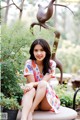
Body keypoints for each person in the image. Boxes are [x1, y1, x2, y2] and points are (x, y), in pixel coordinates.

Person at [21, 39, 60, 120]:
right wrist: (31, 84)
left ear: (46, 51)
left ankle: (31, 111)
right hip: (32, 97)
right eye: (36, 50)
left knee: (43, 83)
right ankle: (23, 118)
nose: (39, 53)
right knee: (31, 90)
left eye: (42, 50)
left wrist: (32, 84)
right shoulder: (29, 63)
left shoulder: (51, 64)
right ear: (32, 52)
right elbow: (32, 84)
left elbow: (43, 82)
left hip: (46, 100)